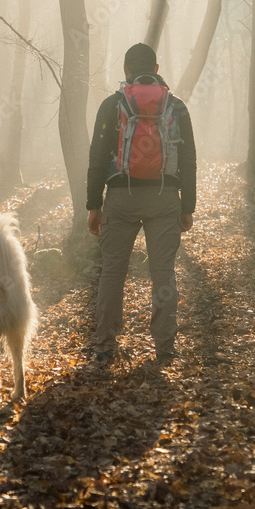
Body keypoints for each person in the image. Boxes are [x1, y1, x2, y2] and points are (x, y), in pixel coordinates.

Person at [86, 42, 196, 363]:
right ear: (157, 70)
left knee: (113, 272)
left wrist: (95, 204)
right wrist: (187, 206)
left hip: (121, 198)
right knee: (164, 273)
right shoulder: (177, 107)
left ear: (126, 71)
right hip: (164, 198)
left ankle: (106, 345)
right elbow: (188, 160)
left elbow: (96, 157)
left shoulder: (112, 105)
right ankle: (165, 347)